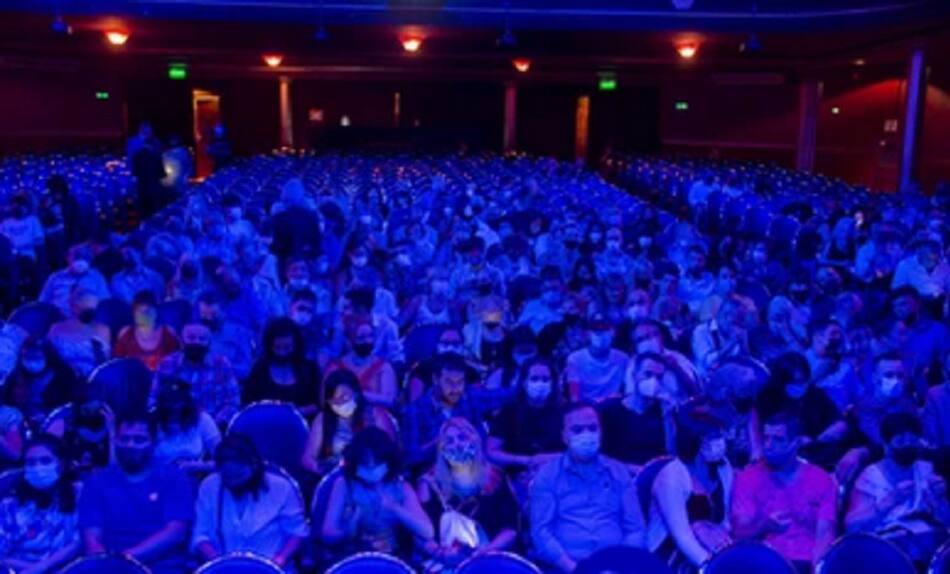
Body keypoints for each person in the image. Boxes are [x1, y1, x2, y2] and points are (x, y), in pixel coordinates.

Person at [530, 403, 645, 572]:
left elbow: (636, 529)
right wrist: (576, 569)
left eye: (592, 428)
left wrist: (620, 565)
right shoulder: (547, 476)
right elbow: (542, 533)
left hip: (618, 565)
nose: (586, 435)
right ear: (564, 436)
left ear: (601, 431)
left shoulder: (619, 472)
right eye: (577, 430)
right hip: (566, 567)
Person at [78, 412, 194, 574]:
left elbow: (175, 533)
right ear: (114, 441)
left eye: (139, 440)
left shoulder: (175, 478)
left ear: (154, 442)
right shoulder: (96, 481)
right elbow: (91, 537)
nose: (130, 445)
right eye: (124, 439)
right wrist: (106, 565)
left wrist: (124, 561)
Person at [731, 412, 837, 572]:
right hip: (763, 562)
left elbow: (825, 536)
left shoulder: (821, 480)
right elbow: (739, 534)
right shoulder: (747, 478)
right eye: (766, 438)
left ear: (796, 443)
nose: (768, 445)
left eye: (778, 439)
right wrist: (764, 524)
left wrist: (817, 570)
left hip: (807, 564)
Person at [845, 412, 950, 565]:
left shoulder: (925, 470)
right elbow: (852, 528)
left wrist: (939, 500)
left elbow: (946, 520)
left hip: (927, 543)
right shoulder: (870, 477)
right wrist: (888, 502)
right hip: (887, 548)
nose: (907, 446)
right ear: (886, 444)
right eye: (900, 441)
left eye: (912, 441)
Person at [193, 433, 309, 570]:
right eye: (228, 478)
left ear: (254, 466)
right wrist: (220, 563)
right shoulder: (210, 486)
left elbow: (296, 534)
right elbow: (201, 535)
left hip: (271, 567)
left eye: (239, 476)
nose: (234, 483)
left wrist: (274, 564)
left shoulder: (282, 487)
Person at [418, 418, 520, 571]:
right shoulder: (428, 482)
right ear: (441, 448)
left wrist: (487, 552)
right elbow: (421, 535)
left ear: (475, 441)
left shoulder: (497, 477)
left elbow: (511, 528)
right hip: (446, 564)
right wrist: (441, 554)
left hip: (490, 560)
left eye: (462, 438)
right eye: (449, 441)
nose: (457, 445)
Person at [646, 401, 733, 573]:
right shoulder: (671, 477)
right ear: (695, 440)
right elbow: (682, 537)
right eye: (713, 437)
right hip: (669, 555)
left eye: (720, 435)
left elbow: (724, 524)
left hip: (711, 549)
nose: (720, 442)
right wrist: (713, 568)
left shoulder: (724, 468)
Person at [321, 427, 434, 558]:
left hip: (392, 557)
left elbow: (427, 532)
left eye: (376, 464)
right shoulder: (344, 485)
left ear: (388, 462)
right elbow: (327, 535)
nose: (371, 469)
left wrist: (395, 508)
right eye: (365, 465)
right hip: (352, 556)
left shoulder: (402, 487)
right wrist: (349, 527)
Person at [0, 434, 80, 573]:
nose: (38, 467)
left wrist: (44, 566)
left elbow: (79, 542)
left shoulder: (79, 495)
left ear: (61, 465)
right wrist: (33, 570)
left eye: (45, 460)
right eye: (31, 463)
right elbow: (2, 557)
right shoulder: (9, 507)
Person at [301, 368, 397, 476]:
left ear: (357, 394)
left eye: (345, 398)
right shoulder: (323, 419)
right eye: (336, 401)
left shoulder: (375, 415)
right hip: (337, 477)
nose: (341, 403)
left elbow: (392, 453)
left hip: (373, 477)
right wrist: (321, 468)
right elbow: (307, 459)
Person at [403, 353, 487, 473]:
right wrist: (439, 443)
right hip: (433, 473)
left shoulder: (468, 401)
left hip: (471, 470)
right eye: (449, 382)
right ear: (435, 379)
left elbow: (482, 440)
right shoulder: (415, 410)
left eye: (460, 382)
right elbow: (410, 458)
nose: (455, 389)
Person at [486, 357, 563, 488]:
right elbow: (491, 451)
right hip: (517, 476)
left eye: (545, 379)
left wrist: (547, 459)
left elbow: (576, 450)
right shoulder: (508, 411)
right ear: (524, 382)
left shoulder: (566, 412)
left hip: (558, 475)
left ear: (553, 383)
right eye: (534, 379)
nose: (540, 384)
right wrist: (526, 461)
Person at [154, 322, 241, 427]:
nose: (196, 342)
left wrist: (214, 424)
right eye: (191, 338)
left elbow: (232, 401)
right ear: (182, 341)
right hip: (172, 427)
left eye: (202, 339)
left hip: (213, 426)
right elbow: (153, 398)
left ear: (209, 343)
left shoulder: (221, 365)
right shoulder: (168, 363)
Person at [598, 352, 674, 470]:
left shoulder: (663, 410)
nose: (653, 381)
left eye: (659, 377)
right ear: (635, 375)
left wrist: (668, 417)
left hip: (653, 474)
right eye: (648, 374)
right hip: (619, 474)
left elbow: (670, 453)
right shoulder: (609, 410)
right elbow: (601, 455)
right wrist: (630, 469)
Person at [244, 317, 322, 418]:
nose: (282, 353)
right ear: (270, 345)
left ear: (296, 345)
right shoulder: (259, 369)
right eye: (277, 348)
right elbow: (247, 404)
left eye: (287, 347)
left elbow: (319, 402)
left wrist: (298, 412)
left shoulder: (310, 369)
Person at [2, 337, 77, 428]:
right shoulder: (17, 375)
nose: (31, 362)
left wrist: (48, 415)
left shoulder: (63, 375)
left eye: (36, 357)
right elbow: (5, 399)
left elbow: (71, 404)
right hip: (22, 423)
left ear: (48, 356)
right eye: (27, 357)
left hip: (56, 423)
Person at [325, 315, 398, 408]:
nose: (368, 341)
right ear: (351, 339)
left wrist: (358, 395)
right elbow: (327, 398)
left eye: (370, 336)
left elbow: (389, 399)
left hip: (375, 415)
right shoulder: (335, 367)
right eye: (362, 337)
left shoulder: (383, 366)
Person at [153, 381, 221, 474]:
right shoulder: (151, 421)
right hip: (160, 475)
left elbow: (222, 460)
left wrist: (199, 466)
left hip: (197, 475)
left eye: (178, 402)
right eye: (169, 402)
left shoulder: (203, 419)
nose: (174, 407)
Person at [47, 286, 111, 379]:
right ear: (71, 302)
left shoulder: (104, 330)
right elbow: (49, 362)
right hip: (61, 381)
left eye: (89, 296)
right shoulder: (56, 329)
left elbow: (104, 367)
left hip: (94, 382)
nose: (86, 300)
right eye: (80, 296)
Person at [564, 312, 629, 402]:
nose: (600, 333)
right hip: (585, 406)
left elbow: (626, 391)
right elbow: (574, 397)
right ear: (588, 334)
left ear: (613, 332)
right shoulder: (575, 359)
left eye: (605, 329)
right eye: (596, 329)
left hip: (613, 405)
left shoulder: (623, 358)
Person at [113, 290, 180, 371]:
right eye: (140, 311)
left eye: (148, 311)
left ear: (156, 312)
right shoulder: (126, 333)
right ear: (133, 313)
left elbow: (178, 361)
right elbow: (117, 364)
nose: (144, 315)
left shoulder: (168, 332)